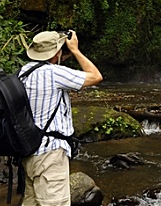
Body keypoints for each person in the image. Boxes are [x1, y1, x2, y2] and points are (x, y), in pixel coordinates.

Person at [19, 30, 103, 206]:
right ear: (56, 52)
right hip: (50, 155)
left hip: (29, 153)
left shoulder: (24, 72)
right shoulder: (55, 74)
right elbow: (96, 76)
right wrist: (75, 50)